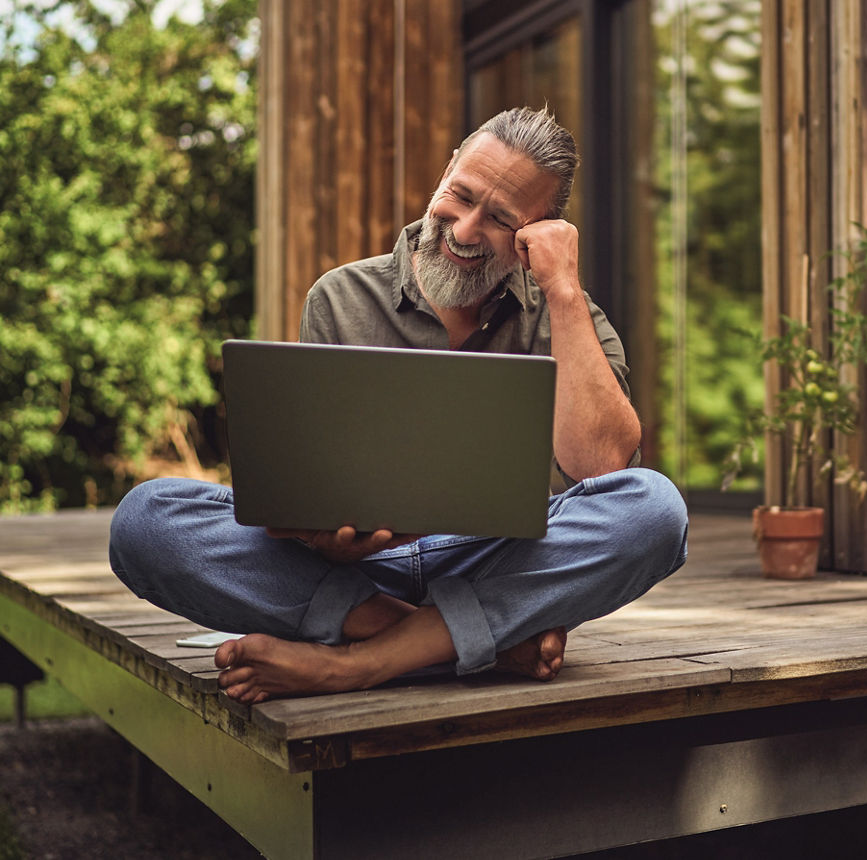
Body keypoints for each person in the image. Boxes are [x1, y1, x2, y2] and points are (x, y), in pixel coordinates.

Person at [108, 107, 689, 705]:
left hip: (498, 562)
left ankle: (355, 665)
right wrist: (323, 540)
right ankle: (449, 640)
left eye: (499, 219)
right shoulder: (340, 296)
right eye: (459, 196)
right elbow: (315, 482)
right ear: (445, 172)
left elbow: (602, 472)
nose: (464, 230)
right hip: (358, 575)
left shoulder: (572, 319)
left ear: (539, 231)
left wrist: (563, 291)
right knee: (147, 521)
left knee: (655, 511)